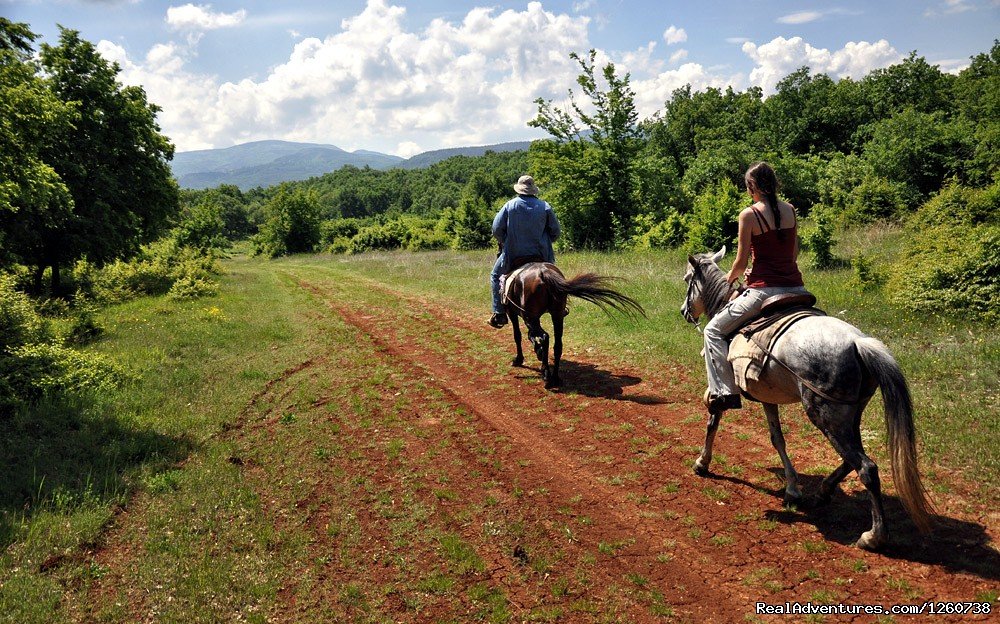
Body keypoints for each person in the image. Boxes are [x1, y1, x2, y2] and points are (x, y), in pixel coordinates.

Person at [702, 161, 810, 413]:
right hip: (798, 289)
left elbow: (739, 263)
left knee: (712, 331)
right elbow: (792, 255)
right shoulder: (790, 210)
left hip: (764, 291)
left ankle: (725, 391)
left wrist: (730, 278)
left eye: (747, 186)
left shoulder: (749, 215)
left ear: (753, 186)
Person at [487, 175, 561, 328]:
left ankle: (499, 313)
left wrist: (504, 240)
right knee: (555, 278)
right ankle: (560, 307)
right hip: (541, 255)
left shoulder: (509, 205)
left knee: (495, 276)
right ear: (533, 190)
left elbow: (496, 229)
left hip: (514, 253)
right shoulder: (545, 206)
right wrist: (546, 241)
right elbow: (555, 231)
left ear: (519, 189)